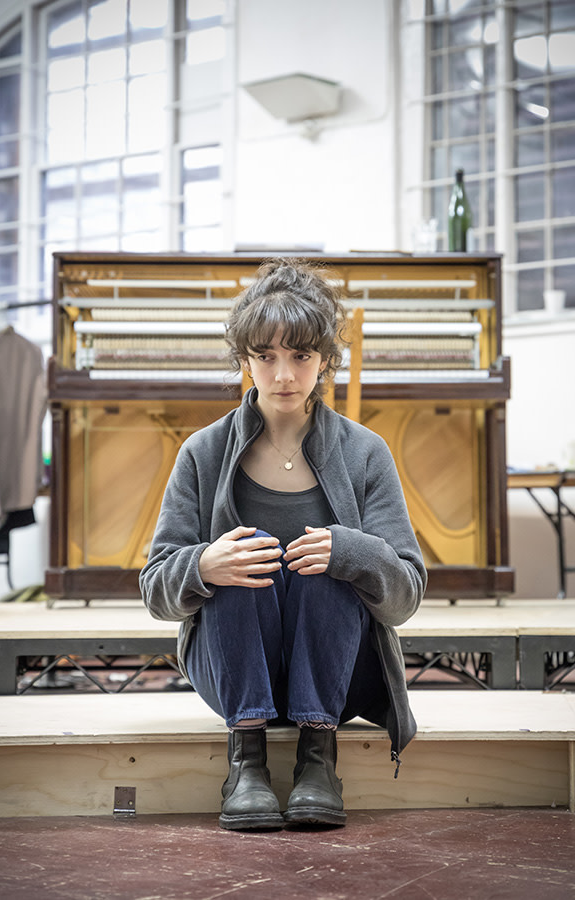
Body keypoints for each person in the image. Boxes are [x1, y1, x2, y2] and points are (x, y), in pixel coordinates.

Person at [140, 259, 427, 831]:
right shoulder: (203, 451)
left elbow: (406, 596)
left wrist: (350, 552)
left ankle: (318, 760)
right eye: (266, 356)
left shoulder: (365, 452)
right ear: (244, 359)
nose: (284, 375)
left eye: (300, 355)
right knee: (241, 557)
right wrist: (203, 564)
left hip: (337, 672)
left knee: (330, 561)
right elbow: (156, 589)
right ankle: (245, 764)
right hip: (234, 668)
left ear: (324, 360)